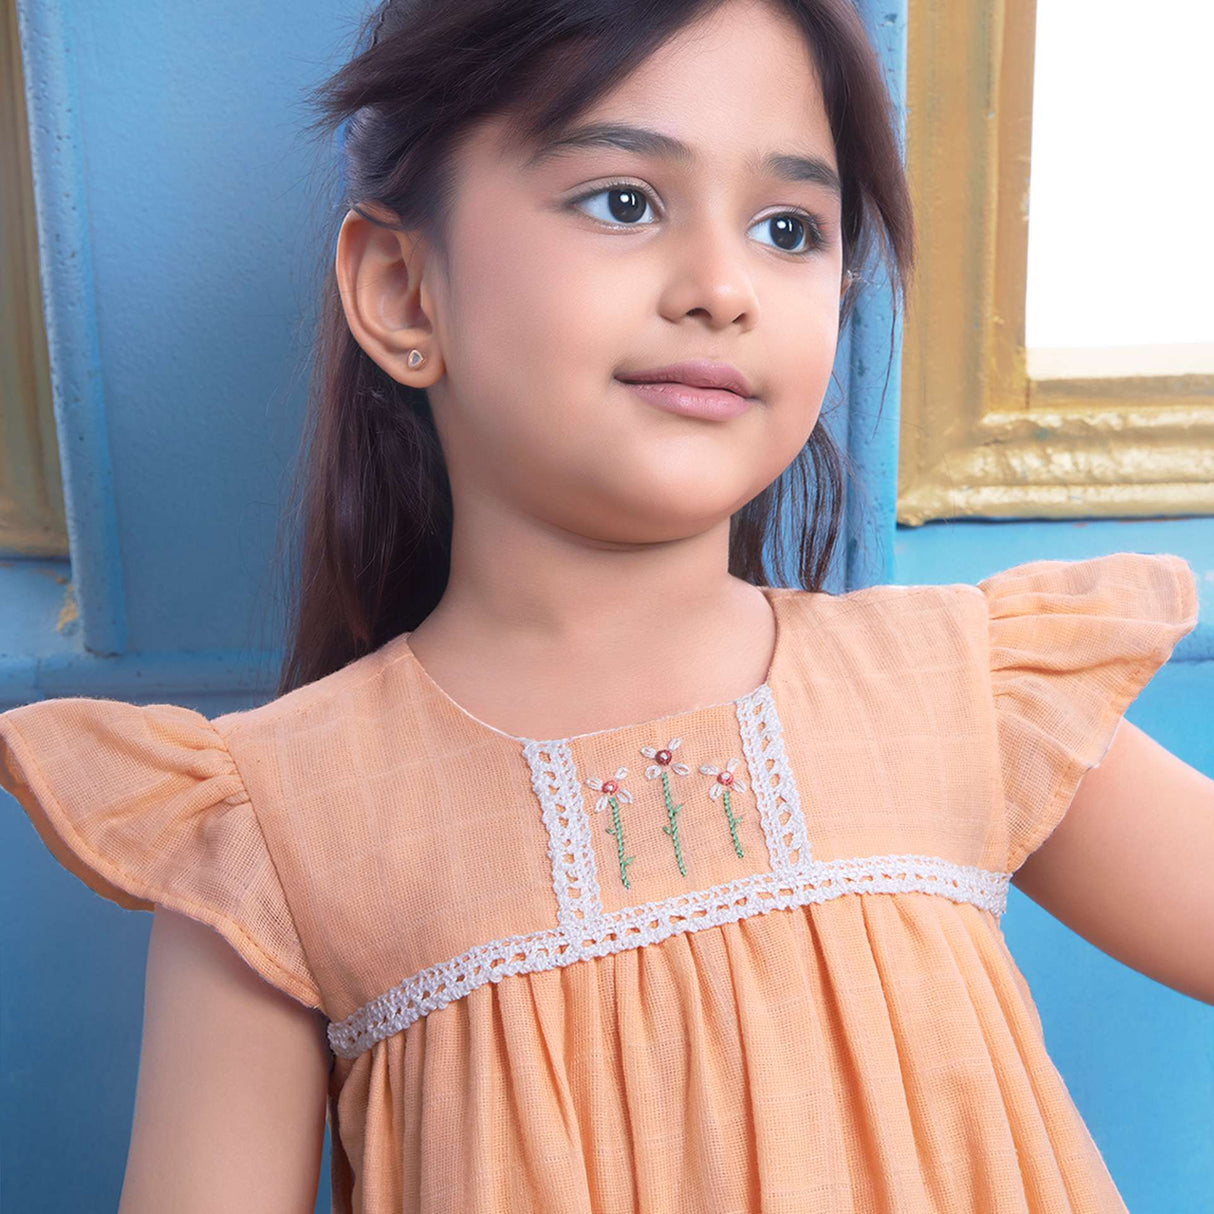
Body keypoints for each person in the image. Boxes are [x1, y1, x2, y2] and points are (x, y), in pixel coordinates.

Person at [0, 0, 1208, 1210]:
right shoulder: (276, 830)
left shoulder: (957, 690)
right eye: (623, 201)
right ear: (402, 292)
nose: (722, 286)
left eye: (789, 228)